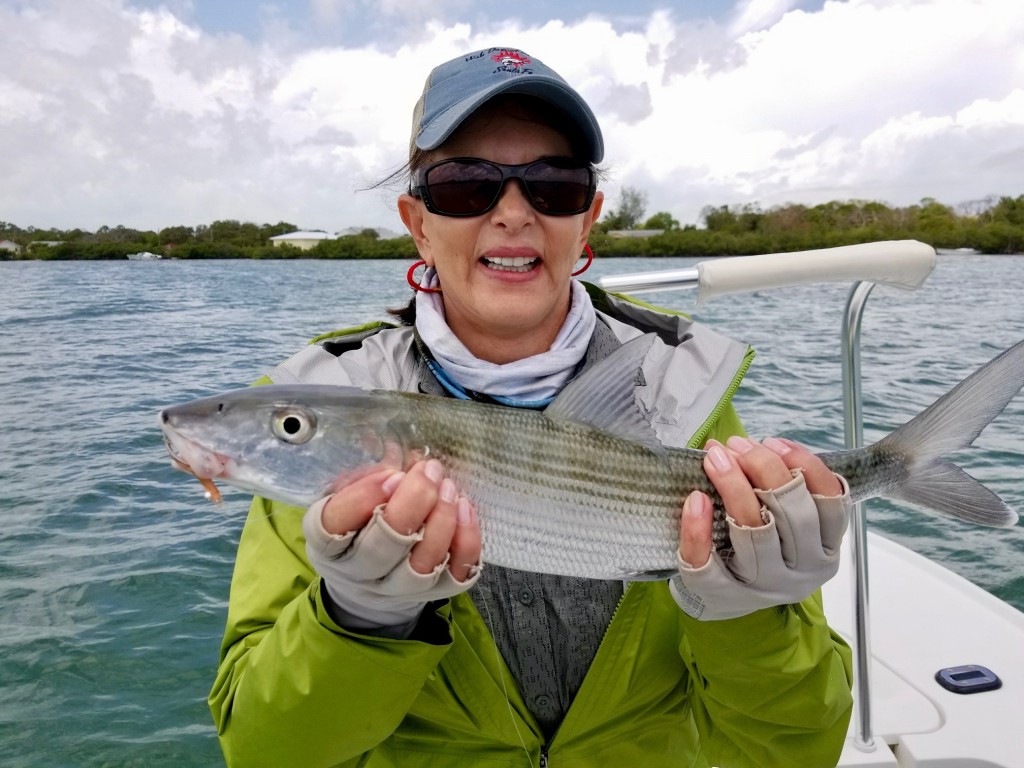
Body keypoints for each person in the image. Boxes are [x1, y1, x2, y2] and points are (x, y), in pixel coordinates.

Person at [209, 47, 854, 767]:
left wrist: (754, 619)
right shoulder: (321, 414)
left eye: (554, 185)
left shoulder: (687, 395)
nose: (514, 213)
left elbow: (797, 751)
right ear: (417, 222)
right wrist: (357, 620)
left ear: (589, 221)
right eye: (464, 186)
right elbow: (266, 753)